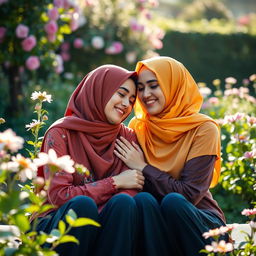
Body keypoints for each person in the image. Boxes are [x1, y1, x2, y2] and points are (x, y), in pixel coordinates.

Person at [114, 56, 226, 256]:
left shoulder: (203, 129)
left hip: (200, 224)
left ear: (173, 85)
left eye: (154, 85)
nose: (146, 94)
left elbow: (189, 194)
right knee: (143, 201)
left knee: (173, 202)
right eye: (140, 88)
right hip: (154, 224)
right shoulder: (138, 128)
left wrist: (143, 167)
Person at [33, 65, 145, 256]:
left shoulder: (127, 137)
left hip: (107, 227)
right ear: (99, 90)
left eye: (132, 100)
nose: (126, 103)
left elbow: (133, 185)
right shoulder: (61, 133)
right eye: (121, 93)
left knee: (124, 203)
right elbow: (60, 196)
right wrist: (114, 182)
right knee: (83, 206)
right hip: (57, 227)